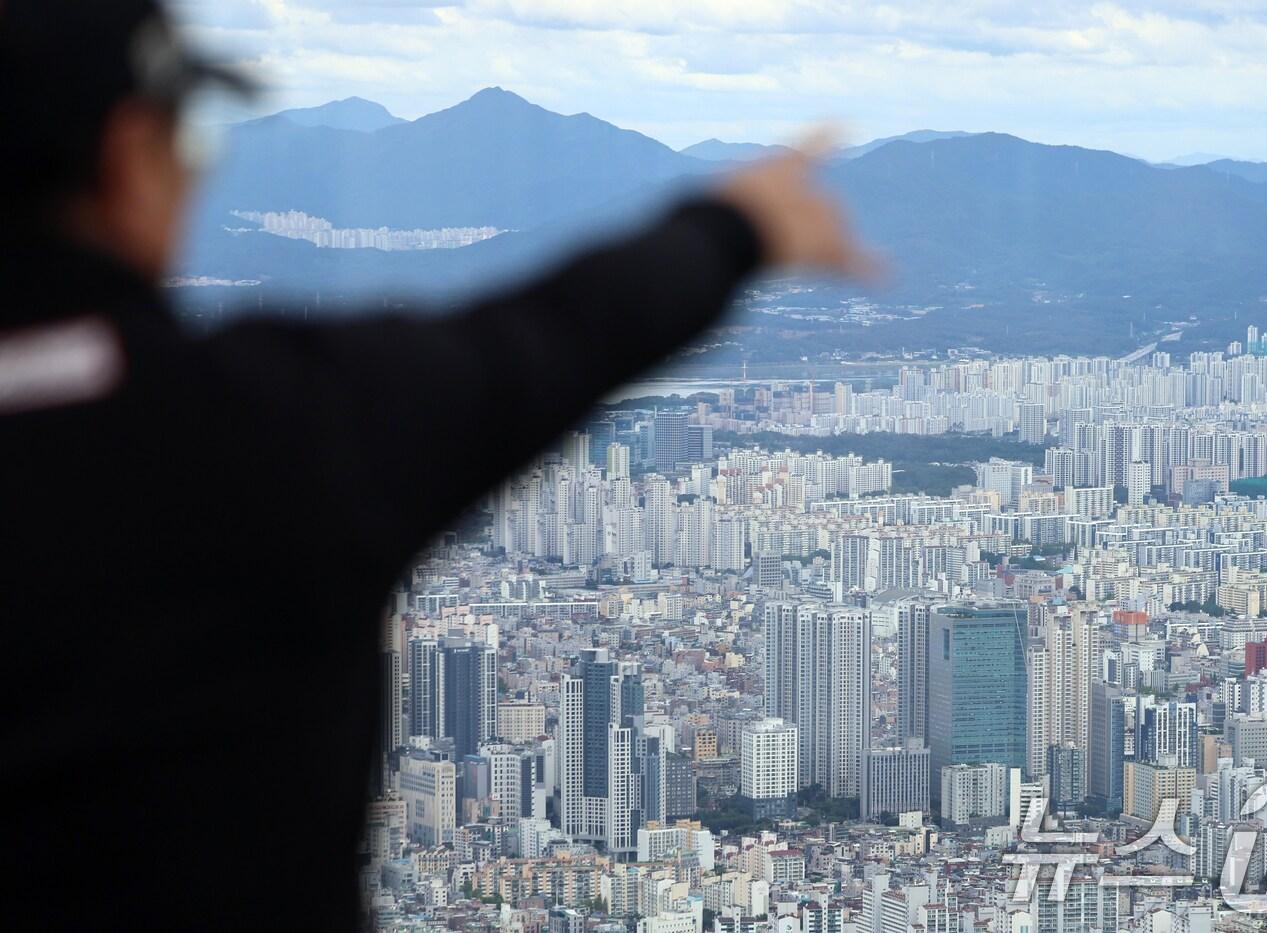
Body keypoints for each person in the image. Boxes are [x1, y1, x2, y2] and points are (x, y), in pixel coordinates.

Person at [0, 1, 868, 929]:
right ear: (129, 157)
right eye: (189, 139)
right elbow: (553, 337)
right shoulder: (270, 426)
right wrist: (733, 227)